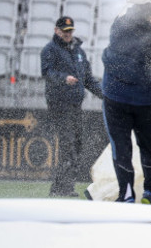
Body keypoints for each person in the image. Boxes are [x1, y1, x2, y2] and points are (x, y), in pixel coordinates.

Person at [101, 2, 151, 204]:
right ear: (150, 18)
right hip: (144, 100)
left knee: (121, 147)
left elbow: (126, 15)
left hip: (115, 97)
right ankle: (149, 191)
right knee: (147, 145)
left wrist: (147, 14)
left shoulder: (118, 27)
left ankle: (127, 193)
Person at [41, 16, 104, 197]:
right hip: (59, 104)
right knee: (68, 144)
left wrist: (103, 96)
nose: (68, 34)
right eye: (65, 31)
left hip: (76, 104)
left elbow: (88, 79)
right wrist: (64, 79)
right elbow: (47, 72)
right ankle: (62, 188)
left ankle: (63, 186)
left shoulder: (79, 52)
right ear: (57, 31)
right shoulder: (50, 50)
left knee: (76, 144)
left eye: (70, 31)